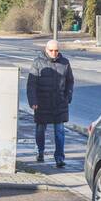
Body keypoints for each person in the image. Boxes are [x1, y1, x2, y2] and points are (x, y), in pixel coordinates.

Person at [27, 39, 74, 168]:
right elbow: (31, 84)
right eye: (51, 50)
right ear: (46, 50)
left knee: (59, 131)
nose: (54, 53)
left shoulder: (65, 63)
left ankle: (59, 158)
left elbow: (70, 81)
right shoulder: (38, 63)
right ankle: (40, 151)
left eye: (56, 50)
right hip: (42, 102)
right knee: (40, 129)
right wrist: (33, 101)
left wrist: (68, 95)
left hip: (59, 103)